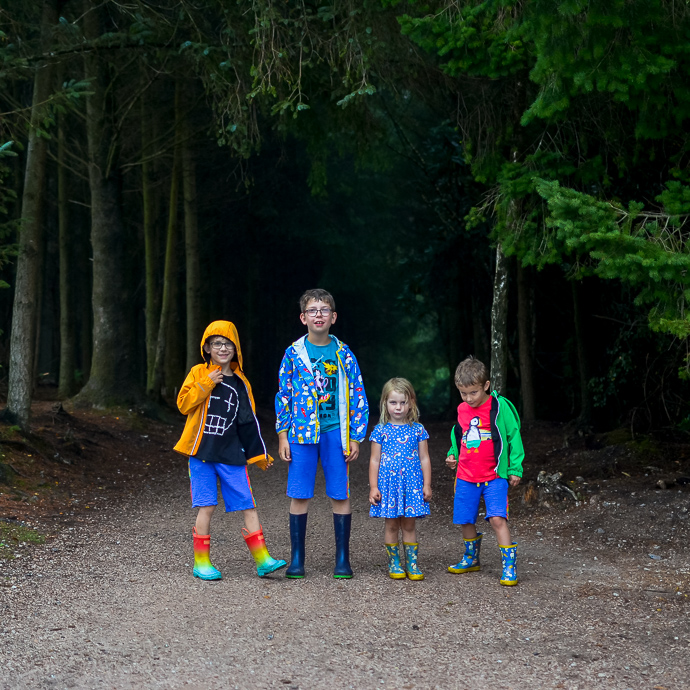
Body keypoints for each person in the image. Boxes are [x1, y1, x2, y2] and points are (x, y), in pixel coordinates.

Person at [174, 321, 286, 580]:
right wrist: (206, 383)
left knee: (248, 505)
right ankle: (201, 563)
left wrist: (258, 455)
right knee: (207, 507)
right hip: (201, 454)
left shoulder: (240, 383)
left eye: (228, 344)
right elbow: (183, 404)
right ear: (207, 348)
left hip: (232, 455)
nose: (222, 348)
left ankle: (263, 560)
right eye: (217, 344)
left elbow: (248, 422)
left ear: (236, 349)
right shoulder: (197, 373)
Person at [275, 289, 369, 579]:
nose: (319, 314)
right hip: (301, 434)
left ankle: (342, 559)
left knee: (340, 493)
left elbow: (357, 394)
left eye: (324, 310)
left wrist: (355, 436)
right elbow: (284, 394)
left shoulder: (343, 353)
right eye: (313, 310)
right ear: (303, 318)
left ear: (334, 317)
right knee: (299, 493)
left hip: (335, 433)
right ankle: (297, 559)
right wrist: (282, 434)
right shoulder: (293, 353)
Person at [445, 356, 524, 586]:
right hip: (466, 475)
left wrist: (515, 468)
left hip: (494, 475)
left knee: (497, 518)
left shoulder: (501, 407)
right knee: (464, 518)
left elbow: (513, 436)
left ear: (486, 385)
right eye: (463, 393)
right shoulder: (462, 409)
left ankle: (509, 567)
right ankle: (471, 559)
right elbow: (458, 436)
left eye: (473, 392)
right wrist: (453, 455)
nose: (468, 399)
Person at [368, 378, 431, 580]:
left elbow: (424, 458)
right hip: (388, 486)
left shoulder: (418, 429)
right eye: (393, 402)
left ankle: (412, 564)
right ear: (385, 403)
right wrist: (373, 487)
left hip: (412, 485)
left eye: (403, 402)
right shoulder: (380, 430)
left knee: (409, 525)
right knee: (392, 525)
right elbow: (374, 460)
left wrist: (427, 484)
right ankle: (394, 563)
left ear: (411, 402)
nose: (398, 407)